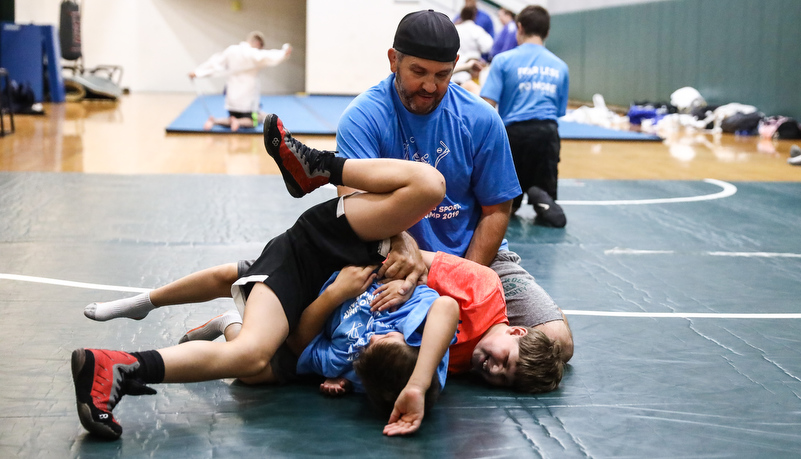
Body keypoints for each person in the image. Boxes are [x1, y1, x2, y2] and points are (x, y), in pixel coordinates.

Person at [71, 114, 458, 440]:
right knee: (430, 185)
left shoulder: (364, 372)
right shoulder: (419, 345)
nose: (372, 335)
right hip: (328, 253)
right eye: (385, 337)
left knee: (253, 366)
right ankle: (317, 165)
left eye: (368, 348)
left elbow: (301, 346)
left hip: (312, 300)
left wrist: (333, 301)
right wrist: (418, 384)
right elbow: (446, 307)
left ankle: (153, 352)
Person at [334, 9, 573, 351]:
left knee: (556, 342)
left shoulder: (482, 119)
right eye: (418, 72)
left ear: (455, 65)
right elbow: (355, 207)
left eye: (442, 74)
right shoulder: (362, 119)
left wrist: (462, 279)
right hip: (389, 258)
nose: (430, 86)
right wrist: (406, 253)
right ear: (393, 61)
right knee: (377, 351)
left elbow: (496, 211)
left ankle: (447, 344)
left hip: (475, 259)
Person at [480, 5, 570, 228]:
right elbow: (559, 111)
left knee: (504, 204)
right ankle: (540, 196)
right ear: (547, 32)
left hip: (514, 137)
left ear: (518, 27)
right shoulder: (561, 67)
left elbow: (486, 106)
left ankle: (515, 199)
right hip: (547, 135)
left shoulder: (503, 61)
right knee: (545, 193)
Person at [189, 31, 292, 131]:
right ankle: (238, 123)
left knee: (234, 117)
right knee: (253, 121)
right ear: (257, 43)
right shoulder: (253, 53)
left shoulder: (231, 50)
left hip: (232, 97)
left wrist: (197, 72)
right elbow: (269, 55)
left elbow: (215, 62)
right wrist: (284, 53)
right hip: (248, 98)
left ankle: (215, 121)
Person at [452, 6, 493, 93]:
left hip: (454, 68)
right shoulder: (477, 31)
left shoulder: (455, 29)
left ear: (461, 16)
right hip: (471, 71)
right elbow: (488, 46)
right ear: (474, 16)